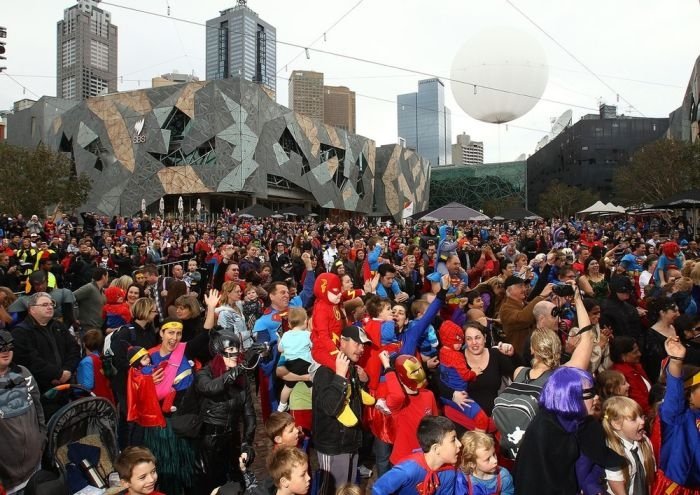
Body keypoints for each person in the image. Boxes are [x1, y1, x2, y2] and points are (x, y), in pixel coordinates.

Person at [514, 367, 624, 495]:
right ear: (570, 397)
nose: (596, 397)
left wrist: (592, 485)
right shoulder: (544, 431)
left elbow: (596, 459)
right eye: (590, 393)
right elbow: (538, 484)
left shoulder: (584, 423)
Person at [195, 328, 256, 494]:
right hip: (209, 442)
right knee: (211, 486)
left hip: (233, 440)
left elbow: (249, 414)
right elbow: (211, 388)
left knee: (237, 486)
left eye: (237, 350)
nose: (235, 354)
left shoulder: (241, 380)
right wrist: (240, 369)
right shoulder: (204, 373)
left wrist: (246, 444)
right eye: (230, 350)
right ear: (218, 352)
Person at [312, 325, 370, 495]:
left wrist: (364, 382)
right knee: (332, 490)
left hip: (350, 443)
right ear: (342, 342)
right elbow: (330, 407)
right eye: (357, 343)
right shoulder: (325, 371)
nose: (361, 349)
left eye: (363, 345)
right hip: (333, 444)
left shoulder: (351, 367)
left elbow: (354, 403)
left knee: (348, 490)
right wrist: (339, 376)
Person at [11, 291, 81, 418]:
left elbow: (74, 349)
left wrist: (67, 370)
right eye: (44, 305)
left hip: (65, 389)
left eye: (51, 304)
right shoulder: (21, 332)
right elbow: (30, 360)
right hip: (39, 393)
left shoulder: (58, 326)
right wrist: (57, 374)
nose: (50, 307)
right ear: (32, 309)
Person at [0, 330, 46, 495]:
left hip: (35, 466)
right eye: (0, 347)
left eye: (9, 346)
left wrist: (42, 437)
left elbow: (38, 406)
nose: (5, 351)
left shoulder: (23, 372)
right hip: (7, 479)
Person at [371, 415, 462, 495]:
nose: (460, 444)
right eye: (453, 440)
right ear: (436, 448)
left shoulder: (449, 473)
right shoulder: (408, 470)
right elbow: (379, 490)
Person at [654, 336, 700, 492]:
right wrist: (676, 361)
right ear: (687, 394)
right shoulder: (676, 417)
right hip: (677, 489)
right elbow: (675, 393)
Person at [378, 351, 438, 466]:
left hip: (425, 458)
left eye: (420, 368)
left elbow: (435, 425)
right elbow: (397, 395)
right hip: (403, 460)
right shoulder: (397, 402)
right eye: (414, 371)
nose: (419, 373)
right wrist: (387, 367)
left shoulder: (428, 395)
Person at [601, 396, 655, 495]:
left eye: (641, 416)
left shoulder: (645, 442)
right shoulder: (611, 451)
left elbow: (649, 480)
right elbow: (618, 490)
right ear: (616, 424)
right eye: (634, 419)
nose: (642, 421)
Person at [499, 275, 553, 356]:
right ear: (509, 290)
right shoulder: (505, 309)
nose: (524, 289)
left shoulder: (525, 305)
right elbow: (523, 318)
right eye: (520, 286)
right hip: (518, 356)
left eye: (524, 286)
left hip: (535, 351)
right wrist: (541, 297)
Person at [277, 307, 313, 412]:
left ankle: (282, 405)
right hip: (305, 363)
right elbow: (313, 346)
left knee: (287, 387)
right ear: (306, 321)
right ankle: (316, 402)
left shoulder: (286, 334)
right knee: (312, 386)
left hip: (290, 364)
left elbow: (280, 348)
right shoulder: (307, 334)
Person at [610, 337, 652, 415]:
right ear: (623, 356)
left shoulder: (636, 366)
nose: (640, 354)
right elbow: (640, 403)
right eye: (635, 352)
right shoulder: (621, 374)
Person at [76, 329, 115, 403]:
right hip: (107, 400)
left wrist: (74, 389)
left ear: (84, 344)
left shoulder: (86, 362)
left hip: (94, 403)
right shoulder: (103, 358)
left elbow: (87, 386)